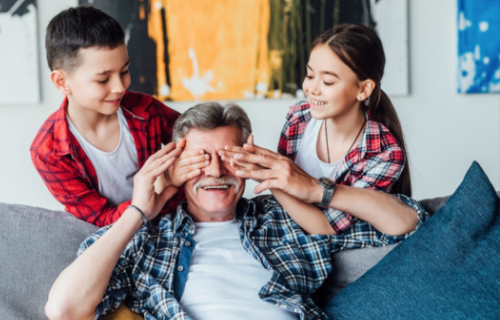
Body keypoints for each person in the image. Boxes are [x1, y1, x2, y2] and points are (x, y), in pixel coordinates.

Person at [44, 102, 428, 320]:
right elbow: (64, 308)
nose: (214, 172)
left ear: (247, 159)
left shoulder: (284, 218)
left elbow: (408, 223)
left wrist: (311, 189)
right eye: (200, 160)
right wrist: (141, 209)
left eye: (228, 158)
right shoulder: (148, 237)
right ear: (176, 163)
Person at [220, 24, 413, 235]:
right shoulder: (298, 119)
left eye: (328, 81)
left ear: (363, 89)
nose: (312, 89)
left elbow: (327, 228)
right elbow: (288, 203)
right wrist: (268, 171)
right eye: (310, 76)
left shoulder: (384, 153)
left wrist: (272, 179)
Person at [30, 7, 208, 227]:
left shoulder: (147, 110)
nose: (120, 86)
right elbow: (102, 222)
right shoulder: (49, 153)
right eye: (103, 80)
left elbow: (202, 140)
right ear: (61, 82)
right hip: (118, 241)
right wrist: (165, 182)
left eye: (124, 71)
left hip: (178, 223)